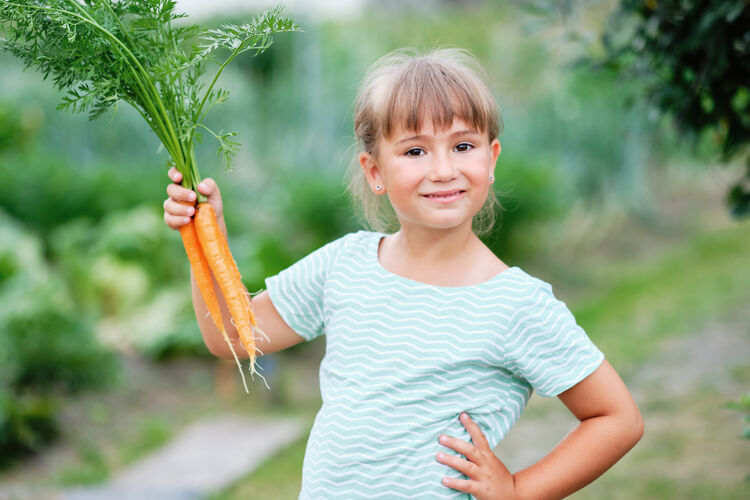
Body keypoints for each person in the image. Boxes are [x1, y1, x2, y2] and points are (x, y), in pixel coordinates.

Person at [163, 47, 643, 500]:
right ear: (375, 171)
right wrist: (207, 238)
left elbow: (616, 418)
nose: (442, 169)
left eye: (463, 146)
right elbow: (232, 334)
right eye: (415, 151)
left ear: (491, 158)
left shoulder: (515, 303)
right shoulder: (345, 264)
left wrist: (518, 489)